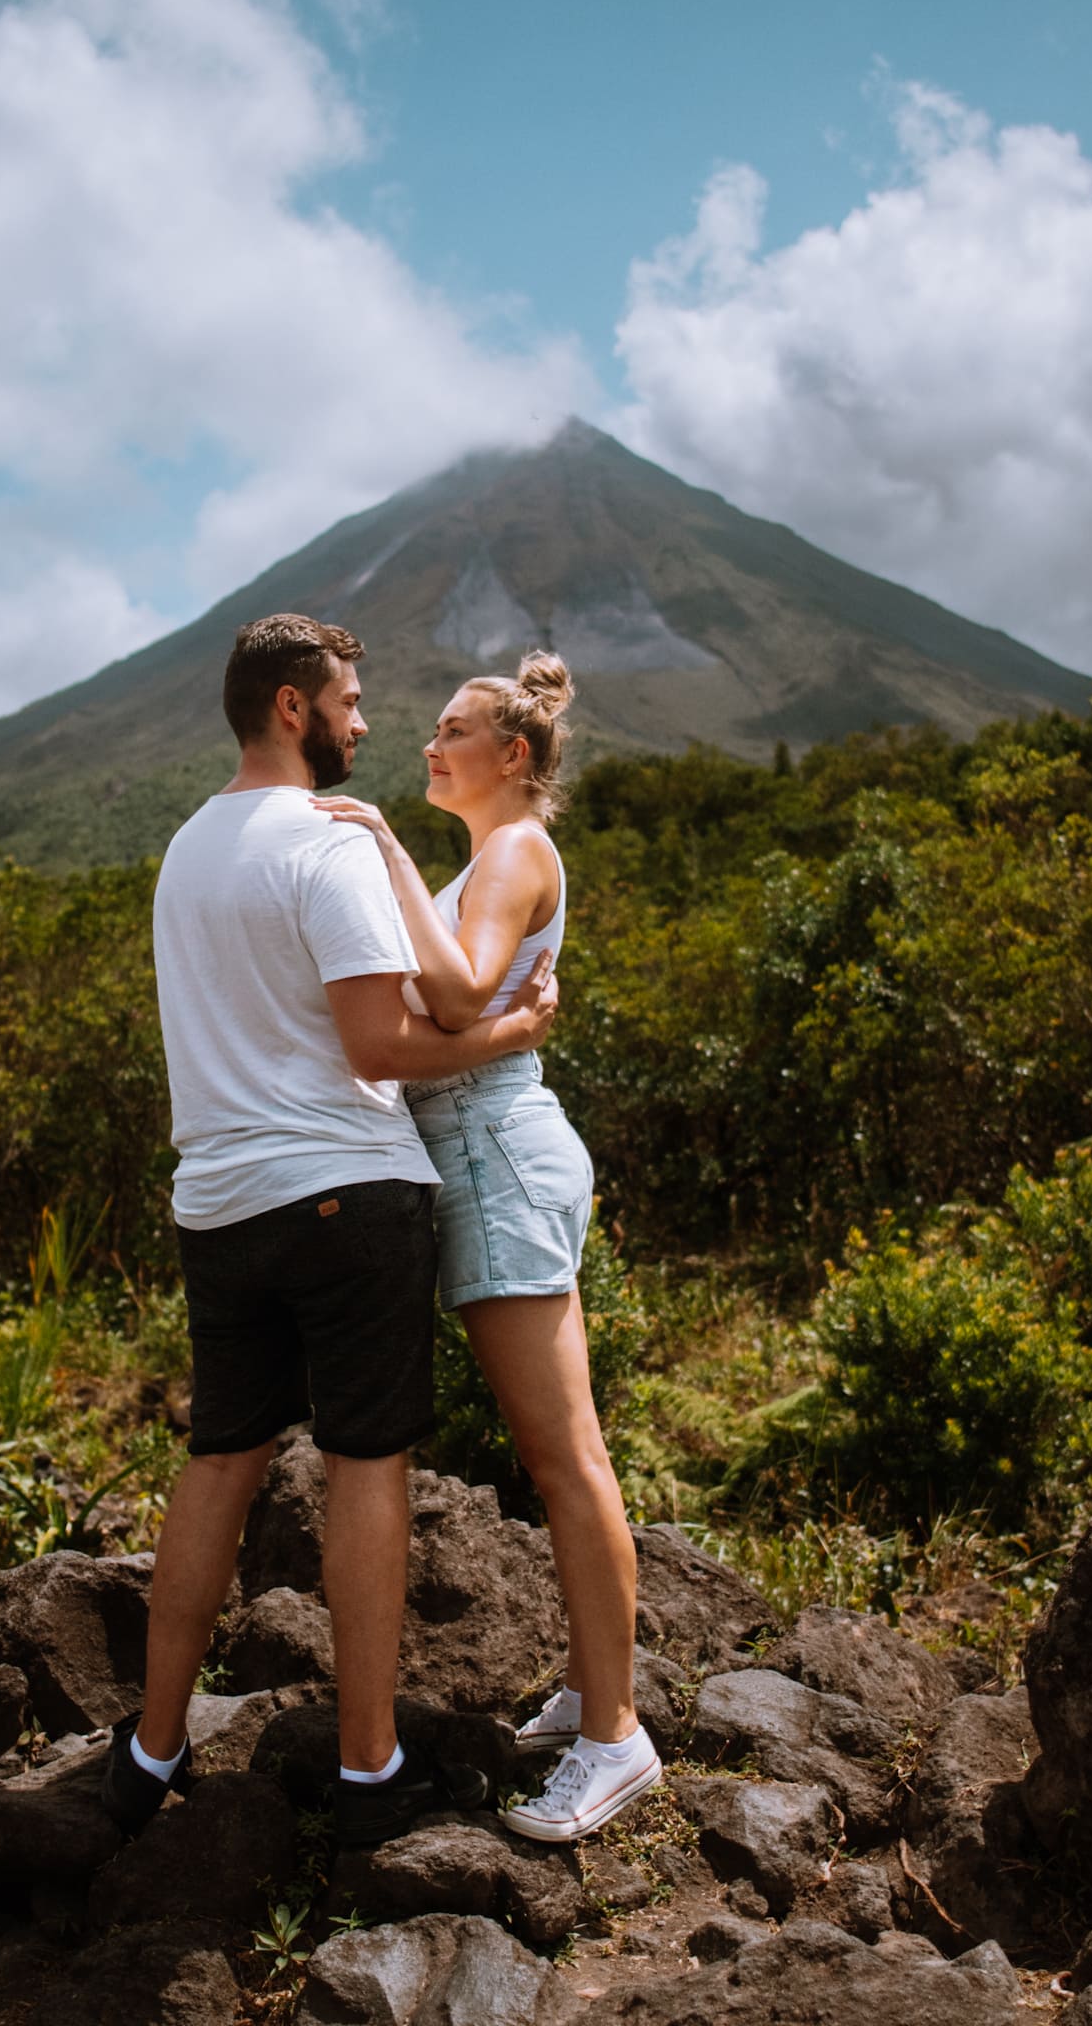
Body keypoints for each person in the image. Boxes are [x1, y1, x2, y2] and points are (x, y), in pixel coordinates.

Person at [100, 612, 558, 1849]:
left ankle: (148, 1748)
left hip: (217, 1202)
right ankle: (369, 1769)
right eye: (351, 700)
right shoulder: (334, 840)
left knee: (221, 1458)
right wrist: (510, 1035)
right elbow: (380, 1045)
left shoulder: (185, 846)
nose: (367, 723)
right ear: (295, 707)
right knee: (368, 1465)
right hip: (349, 1192)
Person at [312, 651, 659, 1843]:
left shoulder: (510, 851)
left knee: (565, 1457)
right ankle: (593, 1684)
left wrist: (386, 851)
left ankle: (617, 1738)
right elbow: (443, 1010)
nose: (426, 745)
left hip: (497, 1155)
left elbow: (454, 1002)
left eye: (452, 729)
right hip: (484, 1150)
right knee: (555, 1452)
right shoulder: (490, 858)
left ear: (513, 755)